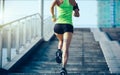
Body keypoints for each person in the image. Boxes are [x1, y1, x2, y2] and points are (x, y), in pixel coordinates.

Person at [50, 0, 80, 74]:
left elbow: (51, 7)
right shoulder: (73, 1)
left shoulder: (57, 0)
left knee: (61, 41)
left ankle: (59, 50)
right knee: (66, 48)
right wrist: (74, 12)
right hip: (67, 26)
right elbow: (77, 15)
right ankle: (63, 68)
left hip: (57, 26)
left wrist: (53, 16)